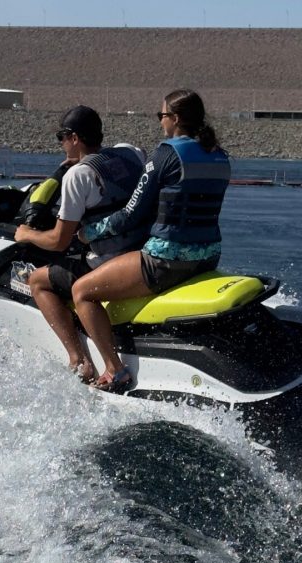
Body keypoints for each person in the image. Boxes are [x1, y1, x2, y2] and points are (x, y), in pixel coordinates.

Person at [72, 89, 231, 392]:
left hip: (165, 261)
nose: (161, 122)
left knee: (82, 291)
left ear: (176, 119)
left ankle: (114, 370)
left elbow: (130, 214)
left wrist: (87, 233)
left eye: (162, 116)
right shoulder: (219, 155)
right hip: (208, 257)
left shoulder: (167, 153)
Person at [14, 105, 146, 383]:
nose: (61, 144)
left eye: (62, 137)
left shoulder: (78, 176)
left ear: (75, 138)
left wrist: (26, 234)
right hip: (140, 251)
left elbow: (59, 241)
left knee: (38, 280)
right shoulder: (130, 152)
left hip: (107, 261)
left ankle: (83, 360)